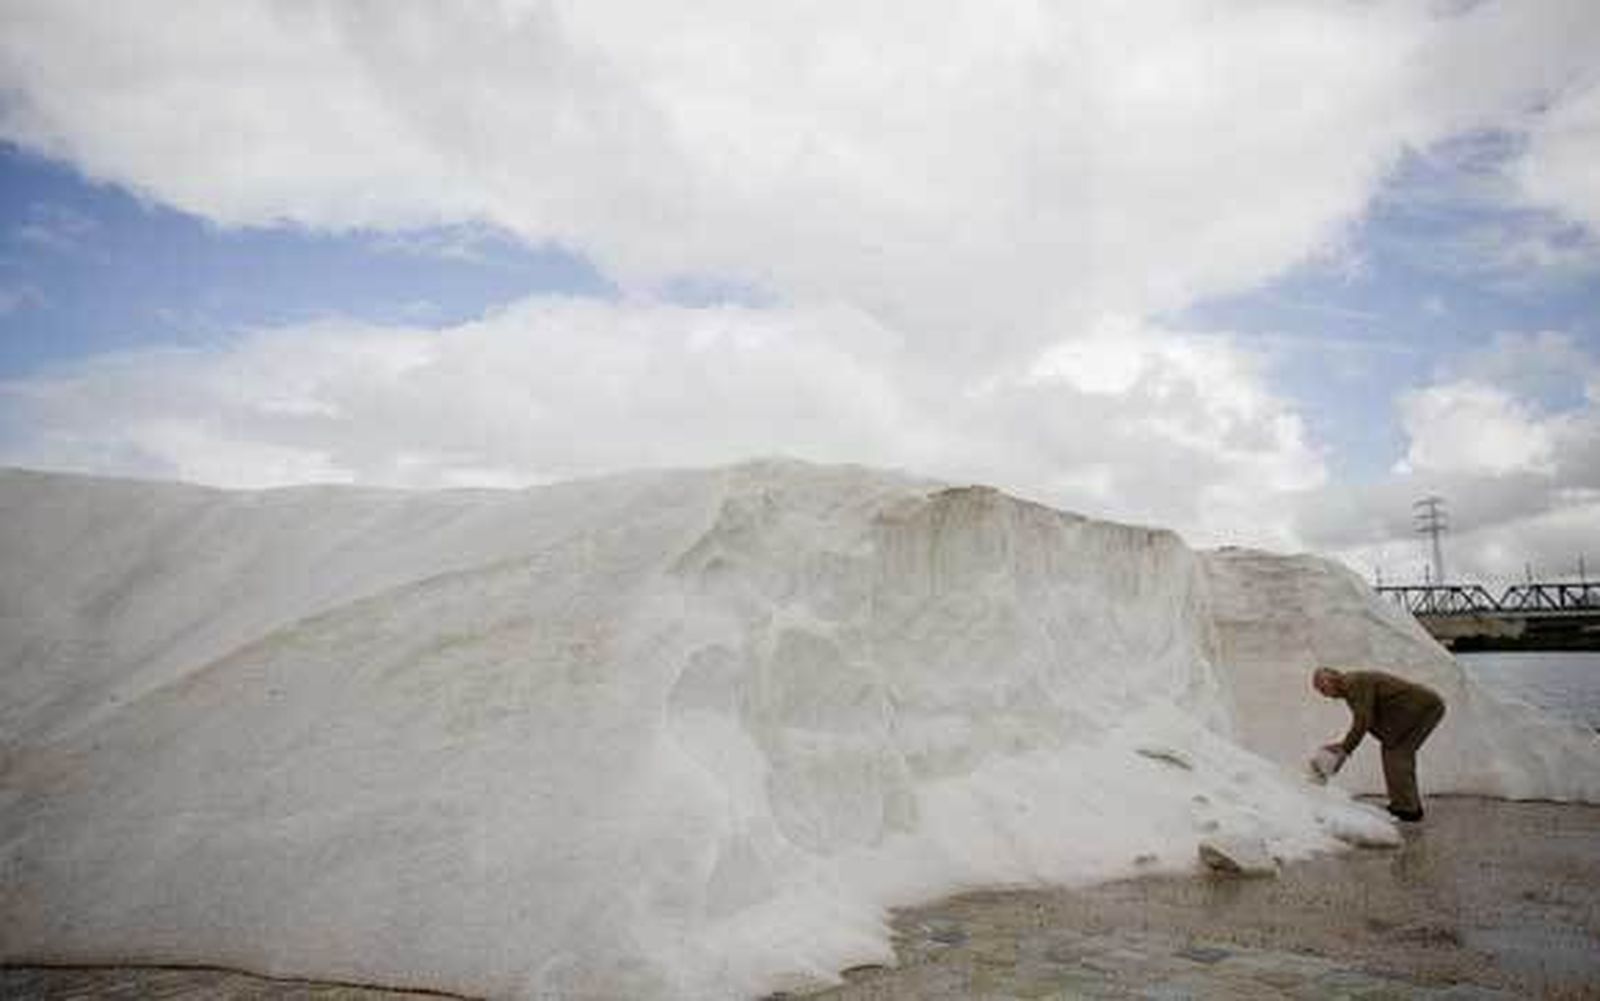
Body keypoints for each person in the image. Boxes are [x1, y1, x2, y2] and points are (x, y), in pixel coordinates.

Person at [1312, 667, 1445, 822]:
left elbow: (1363, 720)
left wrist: (1345, 750)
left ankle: (1408, 809)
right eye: (1320, 691)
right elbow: (1366, 718)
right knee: (1394, 751)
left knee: (1398, 753)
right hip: (1413, 713)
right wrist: (1343, 746)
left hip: (1424, 709)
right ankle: (1403, 805)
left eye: (1323, 688)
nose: (1325, 695)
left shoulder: (1353, 683)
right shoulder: (1351, 688)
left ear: (1333, 678)